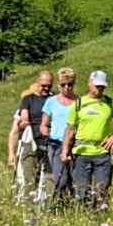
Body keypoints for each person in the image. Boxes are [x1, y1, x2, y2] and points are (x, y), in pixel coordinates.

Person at [61, 69, 113, 212]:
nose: (100, 89)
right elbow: (69, 129)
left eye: (102, 86)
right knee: (81, 190)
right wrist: (65, 151)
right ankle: (82, 217)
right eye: (97, 86)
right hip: (81, 153)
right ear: (89, 84)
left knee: (102, 190)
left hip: (102, 153)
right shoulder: (78, 104)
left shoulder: (109, 103)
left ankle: (100, 217)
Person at [8, 68, 53, 205]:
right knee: (29, 177)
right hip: (31, 142)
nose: (46, 88)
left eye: (49, 86)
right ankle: (27, 207)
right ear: (37, 83)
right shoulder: (28, 99)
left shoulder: (54, 100)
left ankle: (45, 206)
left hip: (50, 143)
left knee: (48, 178)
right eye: (43, 85)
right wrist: (11, 152)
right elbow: (18, 126)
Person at [40, 67, 78, 201]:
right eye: (63, 85)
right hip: (56, 144)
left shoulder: (79, 102)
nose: (66, 88)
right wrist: (45, 131)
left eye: (70, 85)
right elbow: (44, 124)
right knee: (60, 178)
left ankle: (72, 204)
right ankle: (57, 203)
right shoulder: (51, 102)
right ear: (58, 85)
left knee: (74, 178)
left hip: (75, 144)